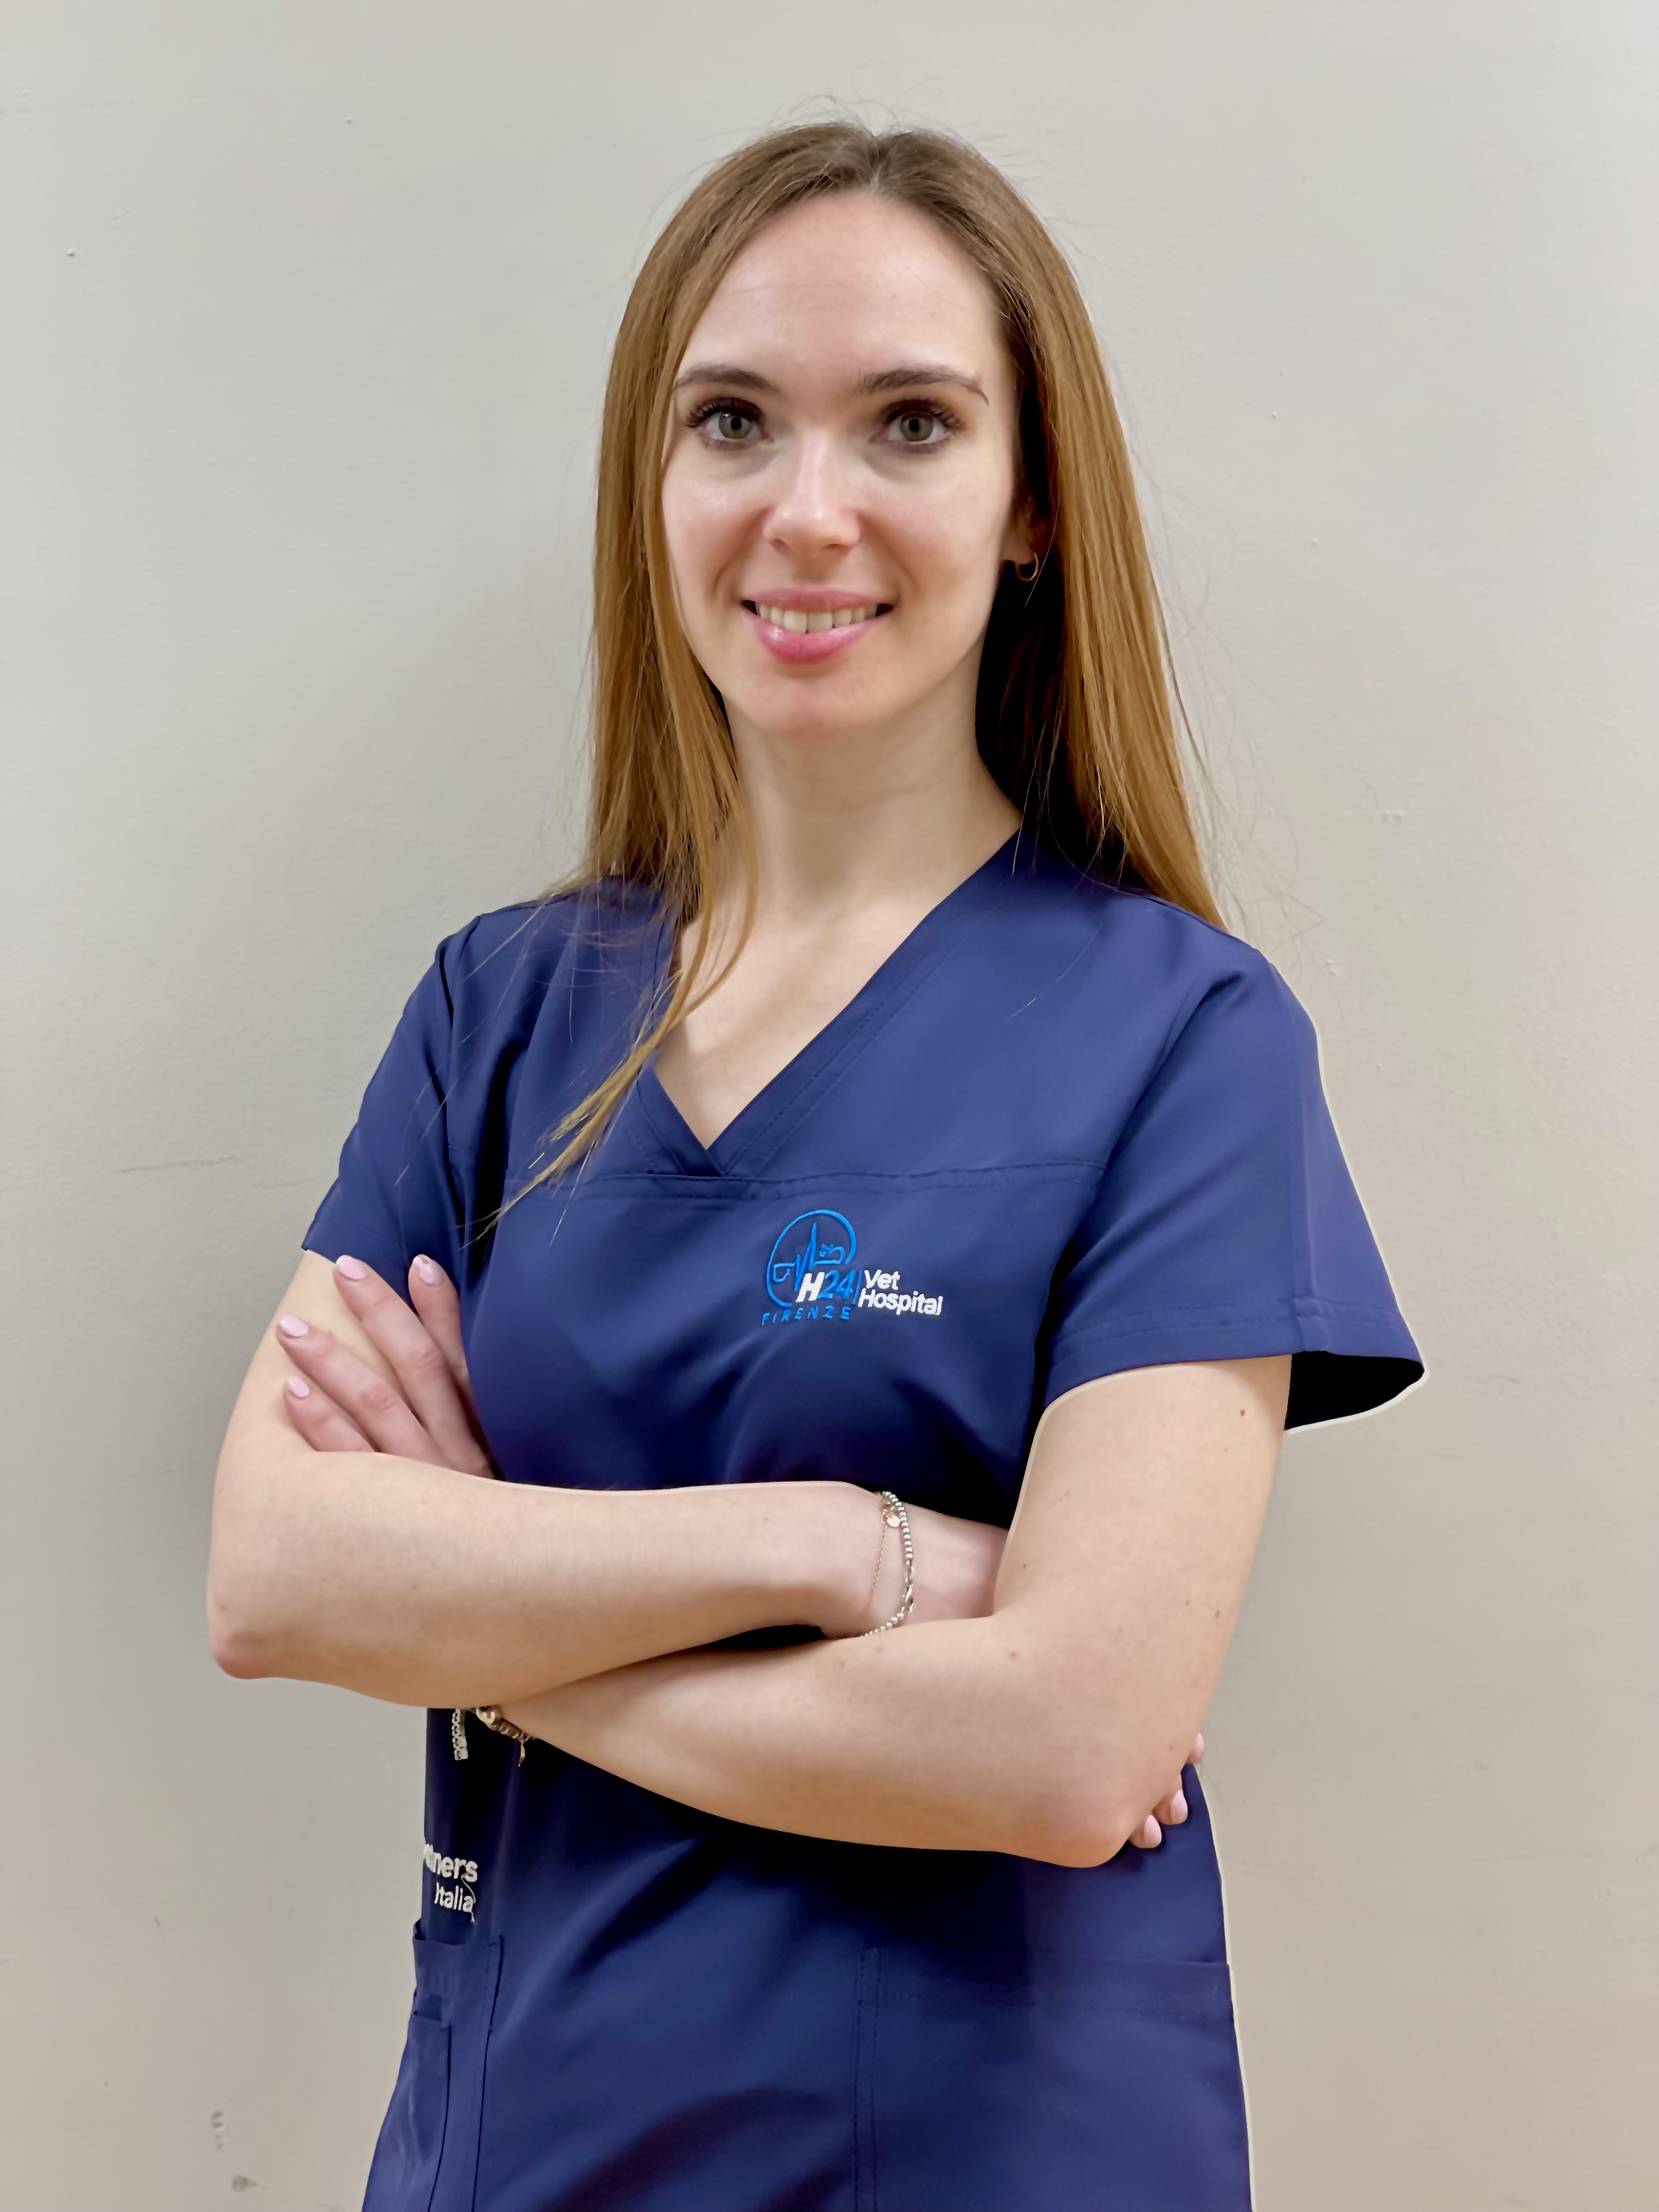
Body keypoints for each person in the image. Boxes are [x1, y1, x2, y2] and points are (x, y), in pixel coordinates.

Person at [207, 121, 1422, 2212]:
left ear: (1034, 503)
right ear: (654, 481)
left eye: (912, 424)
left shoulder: (1185, 1038)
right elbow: (274, 1577)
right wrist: (841, 1553)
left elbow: (1069, 1747)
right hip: (525, 2143)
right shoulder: (500, 1016)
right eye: (733, 420)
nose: (808, 509)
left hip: (989, 2156)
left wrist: (490, 1604)